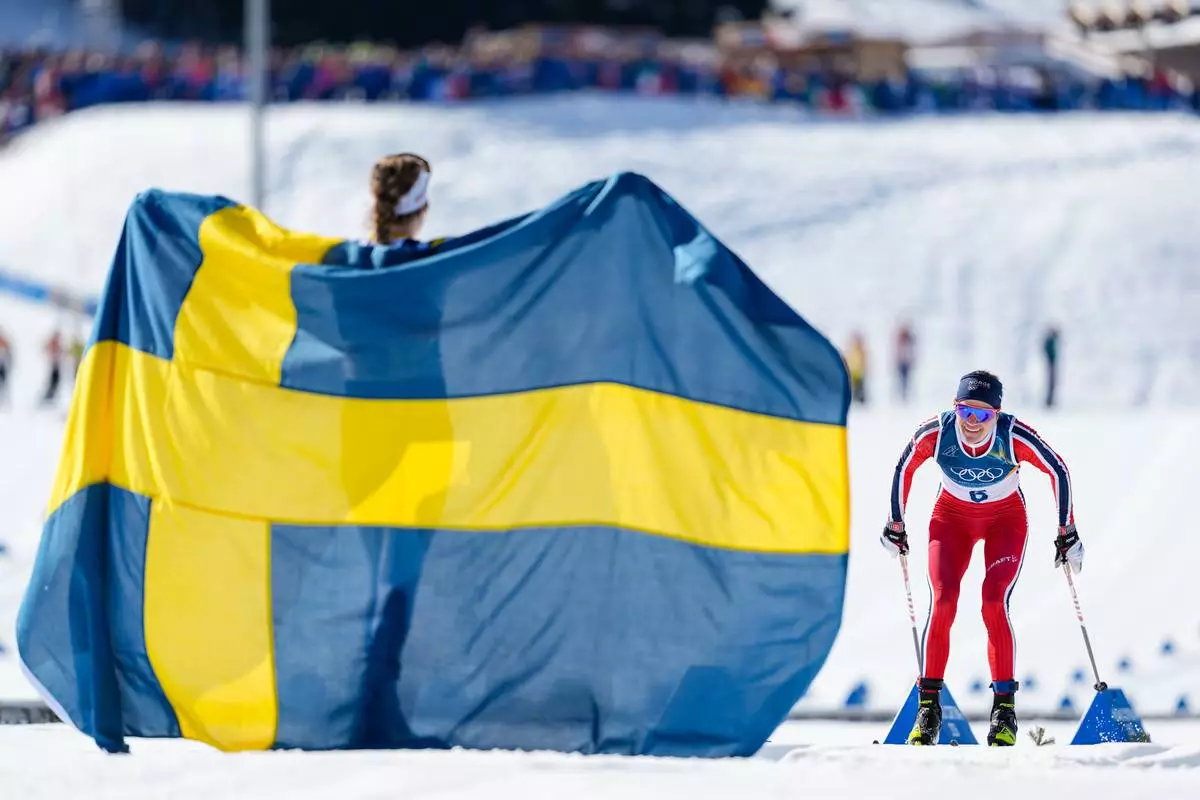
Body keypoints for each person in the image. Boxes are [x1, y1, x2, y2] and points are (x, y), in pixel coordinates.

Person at [880, 370, 1082, 747]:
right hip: (951, 520)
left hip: (1004, 521)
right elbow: (904, 466)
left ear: (997, 413)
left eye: (983, 415)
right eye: (965, 412)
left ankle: (1004, 712)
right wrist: (895, 522)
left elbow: (1058, 469)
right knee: (942, 603)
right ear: (954, 408)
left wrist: (1066, 531)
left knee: (993, 603)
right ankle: (928, 710)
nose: (972, 423)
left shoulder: (1012, 434)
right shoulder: (937, 433)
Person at [895, 322, 916, 402]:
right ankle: (901, 393)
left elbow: (911, 351)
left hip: (906, 362)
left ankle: (905, 393)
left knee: (906, 379)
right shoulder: (900, 340)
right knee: (901, 379)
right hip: (901, 362)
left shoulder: (909, 340)